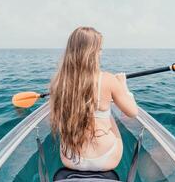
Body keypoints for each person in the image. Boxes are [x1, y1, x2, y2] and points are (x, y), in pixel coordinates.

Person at [50, 27, 138, 172]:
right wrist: (123, 87)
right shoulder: (108, 79)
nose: (101, 52)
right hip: (107, 159)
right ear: (91, 52)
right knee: (109, 117)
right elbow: (133, 112)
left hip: (70, 159)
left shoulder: (60, 83)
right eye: (99, 49)